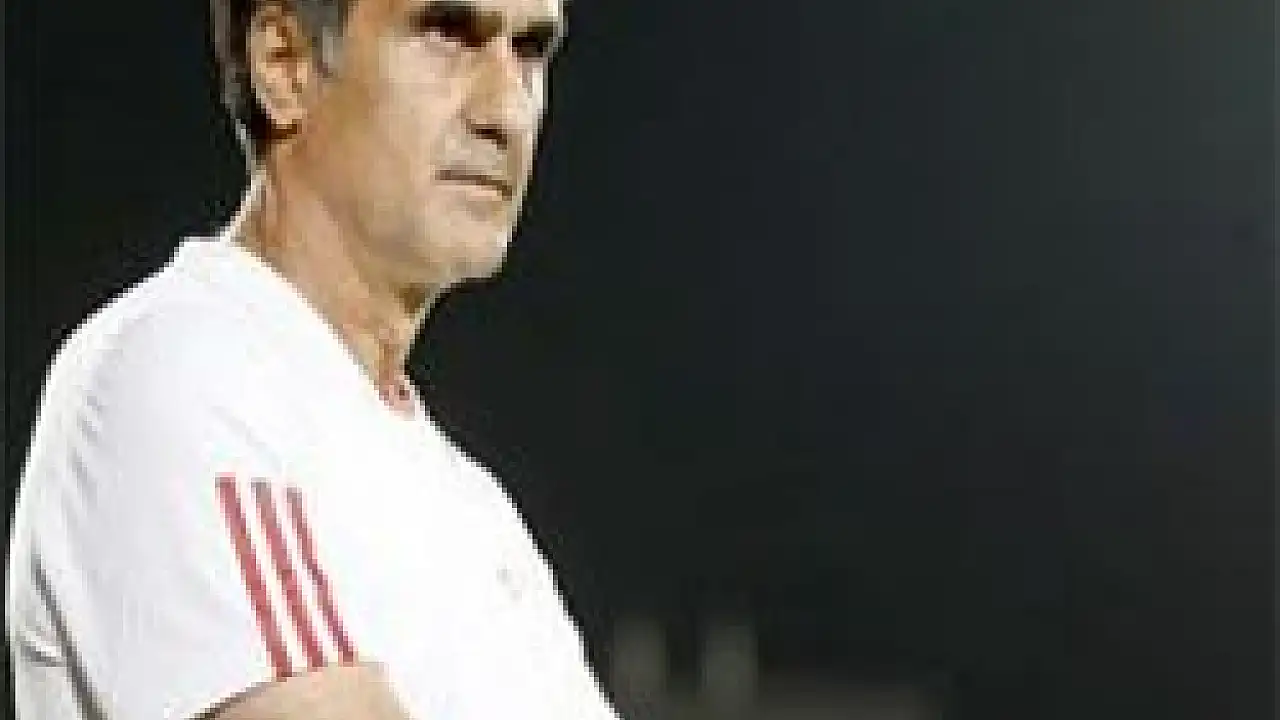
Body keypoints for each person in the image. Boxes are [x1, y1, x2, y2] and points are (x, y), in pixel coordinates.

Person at [6, 0, 621, 717]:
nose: (507, 110)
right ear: (285, 63)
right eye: (448, 35)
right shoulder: (177, 376)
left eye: (531, 51)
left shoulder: (475, 509)